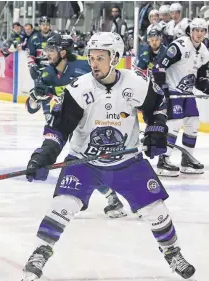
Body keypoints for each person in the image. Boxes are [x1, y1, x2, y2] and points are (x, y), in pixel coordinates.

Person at [21, 32, 195, 281]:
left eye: (100, 58)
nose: (94, 64)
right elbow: (59, 128)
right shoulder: (79, 89)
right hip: (85, 161)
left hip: (127, 162)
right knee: (63, 205)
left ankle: (172, 252)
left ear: (114, 58)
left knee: (156, 210)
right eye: (91, 58)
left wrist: (156, 131)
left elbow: (157, 106)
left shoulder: (135, 83)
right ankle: (40, 251)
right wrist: (43, 155)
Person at [25, 34, 127, 218]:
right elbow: (30, 108)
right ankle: (113, 197)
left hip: (82, 124)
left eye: (51, 49)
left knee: (89, 162)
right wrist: (35, 96)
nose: (47, 53)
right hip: (58, 126)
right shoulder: (46, 73)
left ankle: (121, 197)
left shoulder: (82, 67)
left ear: (62, 52)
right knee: (85, 163)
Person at [152, 18, 209, 176]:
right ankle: (163, 161)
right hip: (172, 91)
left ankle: (187, 159)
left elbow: (200, 80)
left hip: (187, 93)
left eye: (202, 30)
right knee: (174, 123)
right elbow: (159, 67)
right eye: (196, 30)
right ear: (190, 31)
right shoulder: (180, 46)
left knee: (193, 123)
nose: (199, 33)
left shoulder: (204, 51)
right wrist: (163, 89)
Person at [26, 16, 61, 121]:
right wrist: (32, 66)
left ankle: (57, 111)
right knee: (42, 90)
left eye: (47, 24)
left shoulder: (56, 36)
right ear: (39, 25)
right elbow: (31, 55)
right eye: (43, 24)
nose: (45, 26)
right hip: (40, 69)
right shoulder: (34, 38)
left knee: (55, 90)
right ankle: (47, 113)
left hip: (54, 68)